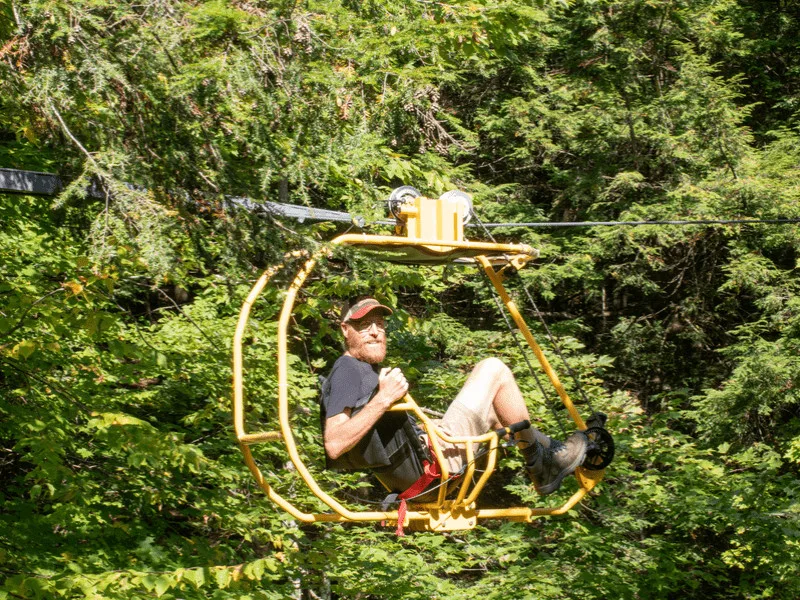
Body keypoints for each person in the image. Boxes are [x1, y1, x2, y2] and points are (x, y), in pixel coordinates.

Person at [320, 296, 588, 499]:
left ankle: (548, 454)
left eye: (380, 324)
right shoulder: (347, 371)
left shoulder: (361, 371)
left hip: (418, 471)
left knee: (497, 409)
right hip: (431, 469)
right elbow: (334, 443)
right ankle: (541, 462)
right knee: (493, 369)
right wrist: (384, 398)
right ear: (346, 330)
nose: (376, 332)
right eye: (365, 326)